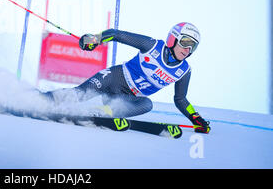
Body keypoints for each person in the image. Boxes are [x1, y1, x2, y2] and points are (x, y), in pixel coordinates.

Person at [42, 22, 211, 133]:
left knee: (147, 104)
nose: (188, 49)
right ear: (173, 38)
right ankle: (40, 100)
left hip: (125, 98)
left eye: (192, 46)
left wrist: (195, 118)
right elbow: (117, 34)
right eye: (185, 42)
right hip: (114, 78)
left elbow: (180, 99)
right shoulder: (152, 46)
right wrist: (94, 39)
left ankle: (103, 113)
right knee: (78, 94)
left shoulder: (183, 71)